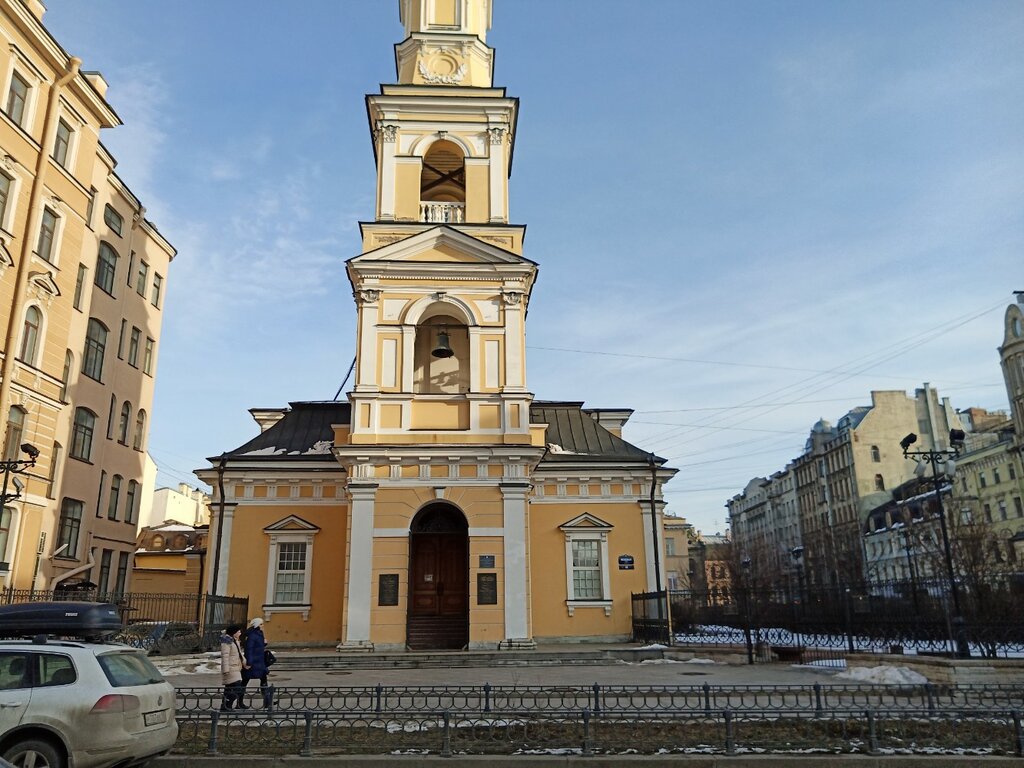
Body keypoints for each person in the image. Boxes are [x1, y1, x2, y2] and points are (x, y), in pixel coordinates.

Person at [243, 616, 273, 709]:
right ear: (257, 625)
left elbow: (258, 647)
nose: (263, 625)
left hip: (259, 662)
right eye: (261, 624)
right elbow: (249, 649)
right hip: (253, 662)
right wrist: (249, 662)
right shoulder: (252, 636)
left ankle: (267, 702)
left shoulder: (259, 633)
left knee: (264, 681)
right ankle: (239, 702)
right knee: (244, 682)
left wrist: (264, 643)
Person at [219, 624, 249, 710]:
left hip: (236, 667)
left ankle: (225, 707)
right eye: (238, 631)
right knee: (237, 688)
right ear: (234, 633)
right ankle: (227, 705)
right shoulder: (227, 642)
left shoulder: (235, 641)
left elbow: (239, 654)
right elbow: (225, 656)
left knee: (229, 688)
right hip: (231, 668)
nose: (240, 632)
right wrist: (225, 670)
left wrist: (245, 663)